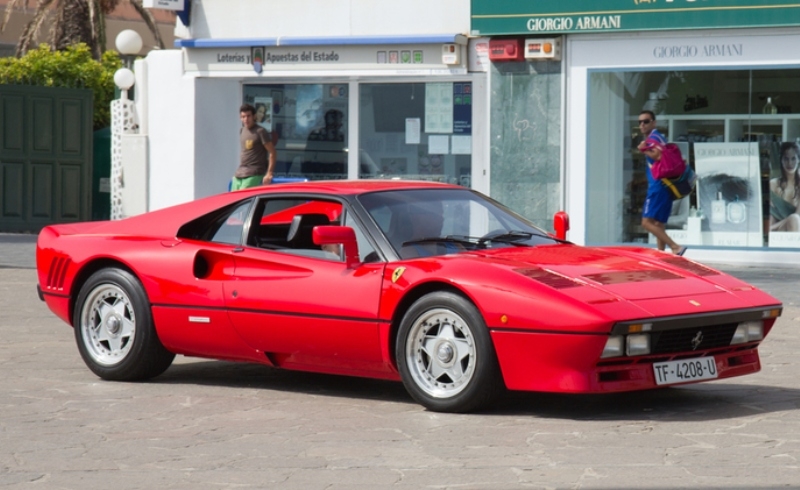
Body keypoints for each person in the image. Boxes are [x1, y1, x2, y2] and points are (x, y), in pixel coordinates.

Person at [637, 110, 686, 255]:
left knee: (646, 222)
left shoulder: (653, 138)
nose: (642, 125)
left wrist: (643, 149)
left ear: (654, 122)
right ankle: (661, 254)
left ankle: (675, 247)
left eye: (646, 121)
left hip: (658, 186)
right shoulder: (660, 137)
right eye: (640, 122)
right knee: (659, 223)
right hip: (666, 186)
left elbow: (658, 155)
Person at [232, 104, 276, 190]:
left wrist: (269, 173)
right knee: (232, 200)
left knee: (242, 199)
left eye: (248, 116)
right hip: (240, 173)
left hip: (255, 172)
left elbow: (273, 152)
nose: (246, 119)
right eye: (243, 116)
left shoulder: (260, 131)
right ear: (240, 117)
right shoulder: (242, 130)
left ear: (254, 116)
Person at [769, 141, 800, 231]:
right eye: (786, 159)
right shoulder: (773, 184)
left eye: (793, 158)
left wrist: (772, 227)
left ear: (798, 159)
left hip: (797, 227)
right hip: (780, 230)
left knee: (794, 219)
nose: (790, 163)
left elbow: (797, 216)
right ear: (781, 160)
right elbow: (772, 215)